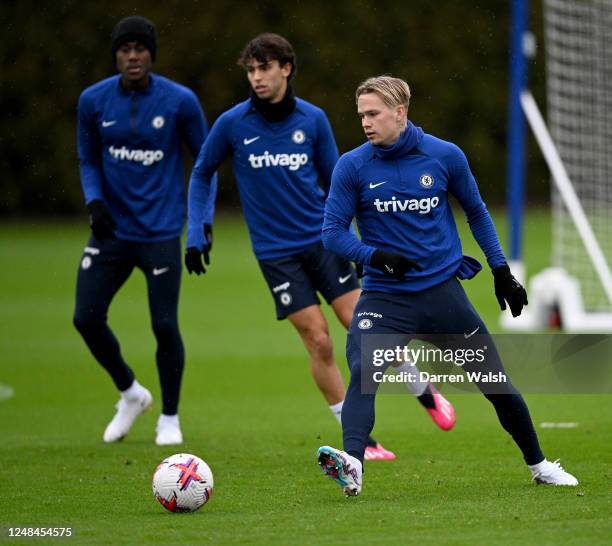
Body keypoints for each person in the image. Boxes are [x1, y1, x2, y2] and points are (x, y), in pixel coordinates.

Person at [186, 34, 454, 461]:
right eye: (251, 70)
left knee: (364, 326)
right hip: (276, 254)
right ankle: (361, 442)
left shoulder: (311, 121)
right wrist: (197, 229)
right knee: (319, 341)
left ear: (286, 69)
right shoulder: (232, 124)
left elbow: (342, 180)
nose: (256, 77)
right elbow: (202, 172)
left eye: (264, 68)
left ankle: (423, 390)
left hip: (323, 242)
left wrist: (367, 236)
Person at [317, 75, 579, 495]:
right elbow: (332, 233)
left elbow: (476, 212)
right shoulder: (352, 165)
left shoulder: (444, 156)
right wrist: (375, 256)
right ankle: (354, 464)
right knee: (364, 371)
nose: (365, 122)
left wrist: (500, 271)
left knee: (497, 385)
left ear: (399, 112)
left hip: (444, 299)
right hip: (385, 300)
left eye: (373, 113)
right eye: (361, 114)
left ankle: (540, 465)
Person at [73, 16, 216, 446]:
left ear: (151, 54)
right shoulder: (93, 101)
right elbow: (88, 158)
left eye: (140, 49)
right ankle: (131, 392)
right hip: (112, 232)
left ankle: (169, 418)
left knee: (164, 326)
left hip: (160, 232)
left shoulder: (180, 101)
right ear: (116, 54)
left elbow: (205, 166)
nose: (132, 56)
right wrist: (94, 200)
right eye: (124, 49)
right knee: (85, 318)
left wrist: (199, 229)